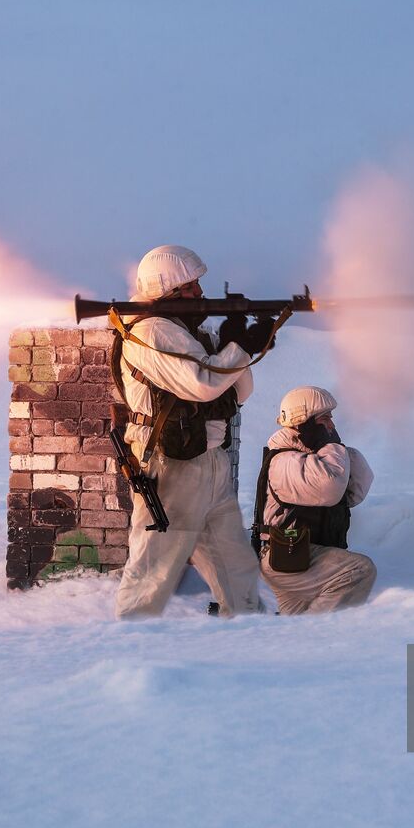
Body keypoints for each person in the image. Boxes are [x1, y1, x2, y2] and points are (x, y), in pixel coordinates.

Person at [112, 244, 274, 618]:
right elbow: (202, 383)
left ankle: (249, 635)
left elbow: (239, 391)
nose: (200, 293)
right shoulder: (153, 332)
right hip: (174, 465)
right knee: (152, 573)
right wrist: (238, 348)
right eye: (190, 287)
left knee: (236, 568)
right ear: (167, 290)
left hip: (208, 460)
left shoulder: (186, 332)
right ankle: (128, 657)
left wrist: (239, 344)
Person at [253, 386, 376, 614]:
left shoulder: (317, 458)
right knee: (359, 570)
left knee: (295, 623)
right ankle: (318, 636)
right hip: (287, 556)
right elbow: (330, 487)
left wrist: (336, 449)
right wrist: (331, 446)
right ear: (303, 421)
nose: (332, 425)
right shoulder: (285, 461)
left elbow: (355, 491)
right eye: (324, 418)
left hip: (302, 555)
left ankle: (300, 643)